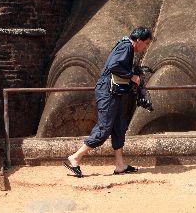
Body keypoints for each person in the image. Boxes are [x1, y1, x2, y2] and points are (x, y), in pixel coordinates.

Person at [63, 27, 152, 177]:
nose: (146, 47)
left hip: (114, 92)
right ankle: (76, 157)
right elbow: (114, 66)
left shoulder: (127, 47)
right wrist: (133, 76)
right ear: (139, 40)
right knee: (104, 128)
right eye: (146, 43)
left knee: (118, 126)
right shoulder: (126, 46)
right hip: (107, 92)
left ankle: (120, 165)